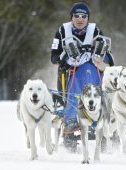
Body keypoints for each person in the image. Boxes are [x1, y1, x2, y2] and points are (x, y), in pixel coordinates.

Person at [50, 2, 114, 148]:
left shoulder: (95, 30)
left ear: (88, 18)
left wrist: (99, 54)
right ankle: (71, 120)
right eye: (76, 16)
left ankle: (102, 119)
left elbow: (108, 56)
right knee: (75, 88)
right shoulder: (62, 31)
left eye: (83, 16)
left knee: (93, 79)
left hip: (93, 70)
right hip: (70, 72)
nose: (80, 19)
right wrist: (66, 54)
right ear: (71, 17)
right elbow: (54, 57)